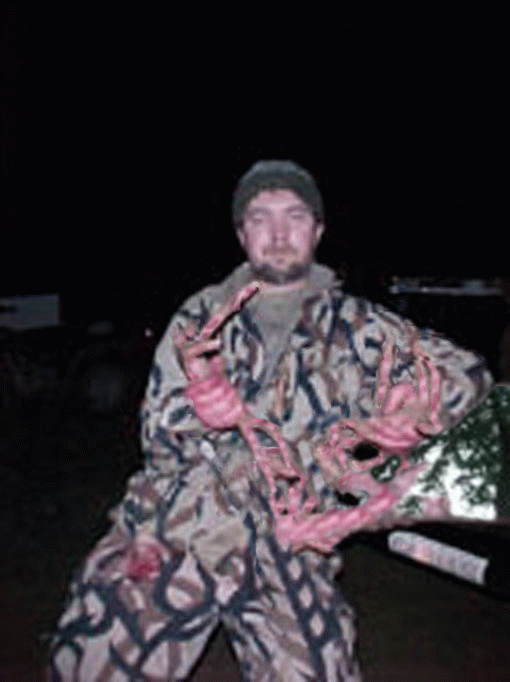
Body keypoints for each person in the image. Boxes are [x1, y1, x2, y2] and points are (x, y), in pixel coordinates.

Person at [47, 160, 493, 681]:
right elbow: (160, 444)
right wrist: (199, 418)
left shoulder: (364, 327)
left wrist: (417, 412)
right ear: (242, 234)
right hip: (181, 528)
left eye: (294, 216)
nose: (278, 234)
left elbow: (471, 377)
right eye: (261, 218)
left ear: (318, 230)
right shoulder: (201, 317)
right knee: (92, 658)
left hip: (289, 542)